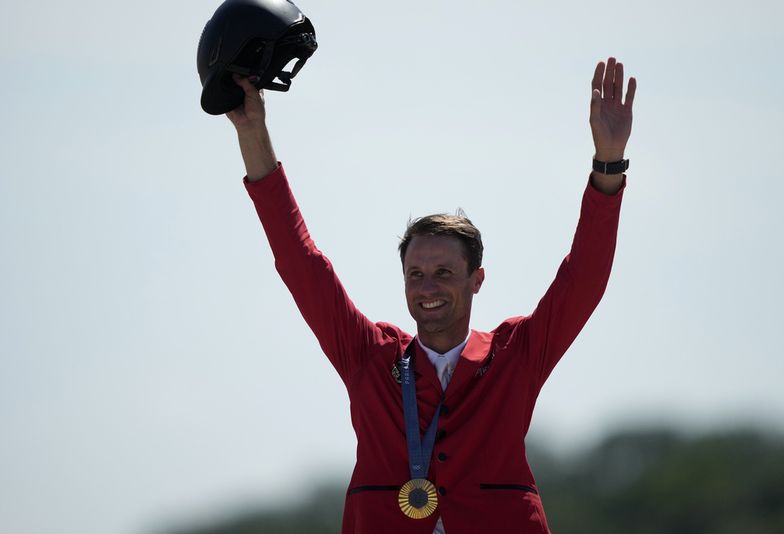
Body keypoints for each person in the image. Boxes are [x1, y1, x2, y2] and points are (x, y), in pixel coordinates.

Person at [226, 57, 636, 534]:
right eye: (416, 274)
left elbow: (583, 279)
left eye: (443, 272)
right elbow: (302, 264)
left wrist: (608, 162)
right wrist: (252, 134)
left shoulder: (515, 355)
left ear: (476, 279)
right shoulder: (369, 356)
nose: (428, 287)